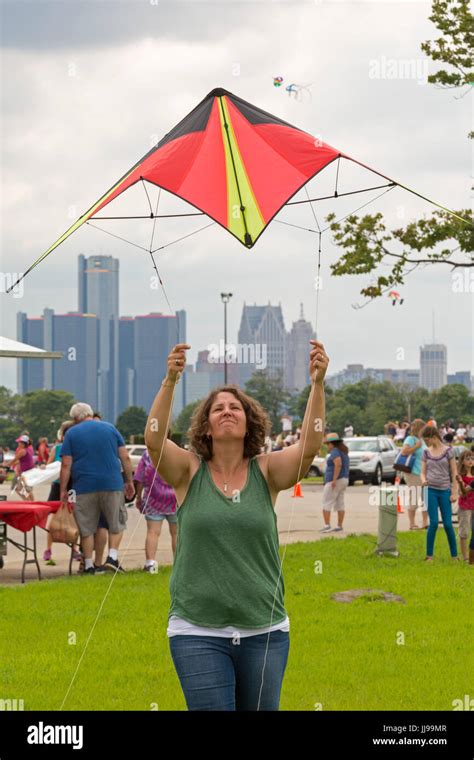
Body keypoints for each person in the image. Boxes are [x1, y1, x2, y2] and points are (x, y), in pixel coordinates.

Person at [145, 339, 329, 711]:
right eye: (218, 408)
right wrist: (170, 380)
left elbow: (310, 445)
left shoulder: (267, 471)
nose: (227, 411)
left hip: (265, 630)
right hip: (197, 630)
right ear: (207, 426)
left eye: (235, 407)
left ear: (249, 424)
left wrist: (318, 384)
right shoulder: (188, 472)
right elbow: (153, 438)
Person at [59, 402, 134, 575]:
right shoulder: (110, 428)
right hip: (112, 483)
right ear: (90, 413)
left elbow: (66, 465)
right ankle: (112, 558)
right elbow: (125, 458)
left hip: (84, 486)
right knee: (117, 522)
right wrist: (129, 481)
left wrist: (63, 490)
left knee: (87, 527)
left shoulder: (72, 433)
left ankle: (89, 565)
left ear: (75, 418)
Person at [134, 443, 178, 573]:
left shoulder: (147, 454)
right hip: (175, 499)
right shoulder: (177, 452)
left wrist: (138, 497)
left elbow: (139, 477)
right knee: (176, 533)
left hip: (153, 499)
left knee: (153, 532)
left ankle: (151, 564)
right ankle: (178, 564)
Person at [43, 421, 81, 565]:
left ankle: (74, 549)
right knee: (53, 518)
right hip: (57, 486)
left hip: (73, 486)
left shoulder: (78, 448)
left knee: (74, 518)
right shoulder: (57, 448)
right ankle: (48, 549)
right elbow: (48, 465)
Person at [420, 425, 459, 562]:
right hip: (430, 490)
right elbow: (422, 472)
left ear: (433, 436)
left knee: (448, 524)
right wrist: (424, 480)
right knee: (434, 523)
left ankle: (455, 556)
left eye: (427, 439)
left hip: (445, 490)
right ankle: (429, 556)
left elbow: (454, 473)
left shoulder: (449, 451)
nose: (426, 442)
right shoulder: (426, 452)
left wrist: (454, 493)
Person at [399, 419, 428, 530]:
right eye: (423, 428)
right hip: (413, 473)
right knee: (414, 499)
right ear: (418, 428)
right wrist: (416, 446)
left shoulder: (422, 440)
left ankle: (425, 523)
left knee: (426, 499)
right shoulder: (410, 439)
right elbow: (404, 452)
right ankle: (412, 524)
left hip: (424, 474)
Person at [319, 433, 350, 532]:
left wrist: (334, 480)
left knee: (327, 502)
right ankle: (339, 526)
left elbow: (338, 464)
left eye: (328, 444)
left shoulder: (335, 451)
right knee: (340, 503)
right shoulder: (343, 452)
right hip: (344, 479)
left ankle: (327, 525)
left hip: (335, 480)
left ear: (332, 444)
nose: (327, 446)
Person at [455, 450, 474, 562]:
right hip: (465, 507)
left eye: (472, 458)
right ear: (462, 462)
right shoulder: (461, 476)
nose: (471, 461)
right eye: (467, 458)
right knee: (464, 532)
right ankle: (465, 556)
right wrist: (461, 483)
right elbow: (463, 492)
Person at [10, 435, 35, 501]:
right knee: (23, 489)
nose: (18, 443)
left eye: (19, 442)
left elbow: (15, 460)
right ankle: (29, 502)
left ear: (23, 443)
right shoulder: (29, 448)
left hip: (26, 472)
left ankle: (30, 502)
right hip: (27, 471)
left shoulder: (22, 451)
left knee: (24, 489)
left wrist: (6, 464)